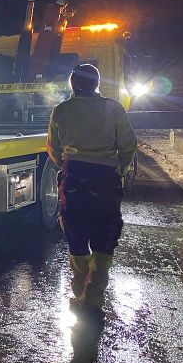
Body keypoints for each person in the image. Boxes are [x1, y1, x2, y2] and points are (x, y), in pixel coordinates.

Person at [47, 63, 137, 319]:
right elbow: (129, 144)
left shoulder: (61, 111)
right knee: (105, 235)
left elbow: (53, 149)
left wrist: (67, 166)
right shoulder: (113, 109)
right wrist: (118, 169)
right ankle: (94, 298)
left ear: (72, 84)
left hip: (73, 178)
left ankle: (78, 293)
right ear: (97, 84)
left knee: (75, 233)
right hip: (105, 179)